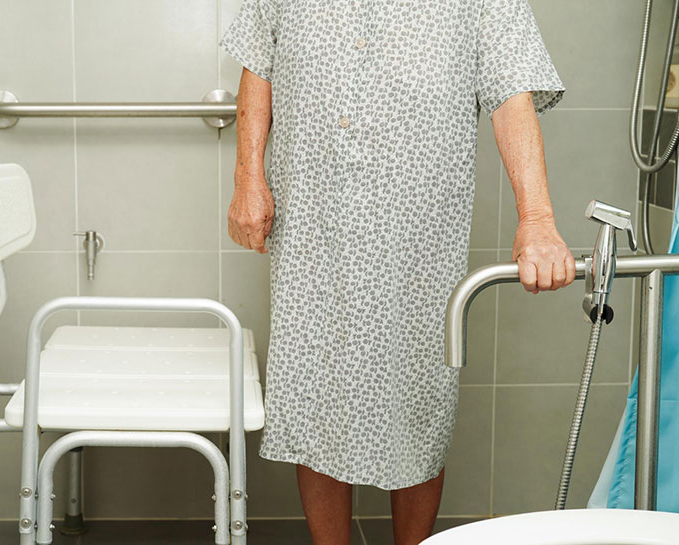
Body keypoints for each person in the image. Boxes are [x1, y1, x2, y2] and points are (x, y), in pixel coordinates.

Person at [220, 1, 576, 544]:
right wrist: (248, 178)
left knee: (417, 399)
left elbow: (512, 94)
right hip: (315, 220)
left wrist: (538, 218)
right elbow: (259, 66)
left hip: (419, 235)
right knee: (316, 393)